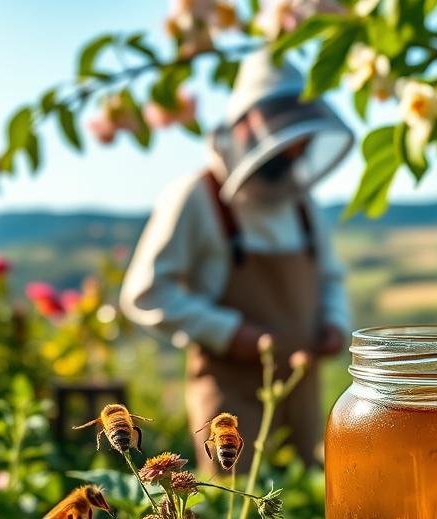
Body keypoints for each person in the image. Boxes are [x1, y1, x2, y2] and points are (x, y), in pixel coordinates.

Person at [120, 50, 354, 473]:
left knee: (302, 515)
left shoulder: (300, 204)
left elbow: (330, 278)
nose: (297, 150)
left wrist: (335, 323)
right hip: (230, 402)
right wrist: (231, 334)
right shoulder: (196, 196)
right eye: (287, 137)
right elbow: (145, 294)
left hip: (302, 395)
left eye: (301, 140)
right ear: (246, 126)